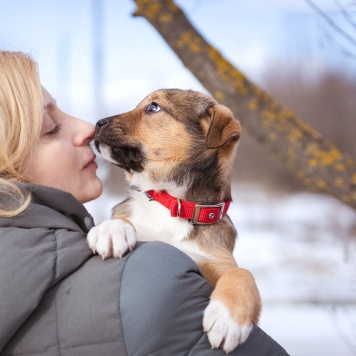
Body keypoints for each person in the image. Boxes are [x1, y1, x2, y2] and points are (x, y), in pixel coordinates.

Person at [0, 51, 289, 356]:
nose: (89, 127)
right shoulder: (117, 237)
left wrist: (239, 283)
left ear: (210, 132)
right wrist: (120, 224)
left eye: (152, 109)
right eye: (50, 127)